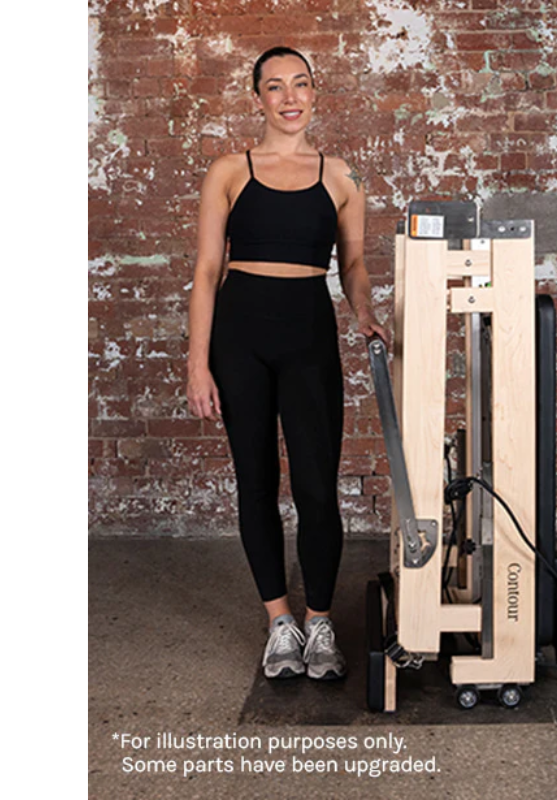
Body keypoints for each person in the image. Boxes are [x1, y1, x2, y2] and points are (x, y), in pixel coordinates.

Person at [185, 46, 389, 681]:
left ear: (315, 92)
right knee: (255, 482)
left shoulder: (342, 177)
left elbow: (352, 267)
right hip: (239, 335)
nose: (290, 96)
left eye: (300, 84)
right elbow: (206, 271)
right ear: (259, 98)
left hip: (308, 332)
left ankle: (320, 622)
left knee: (315, 487)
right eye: (275, 87)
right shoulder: (228, 171)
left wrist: (363, 312)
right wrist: (198, 363)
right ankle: (280, 621)